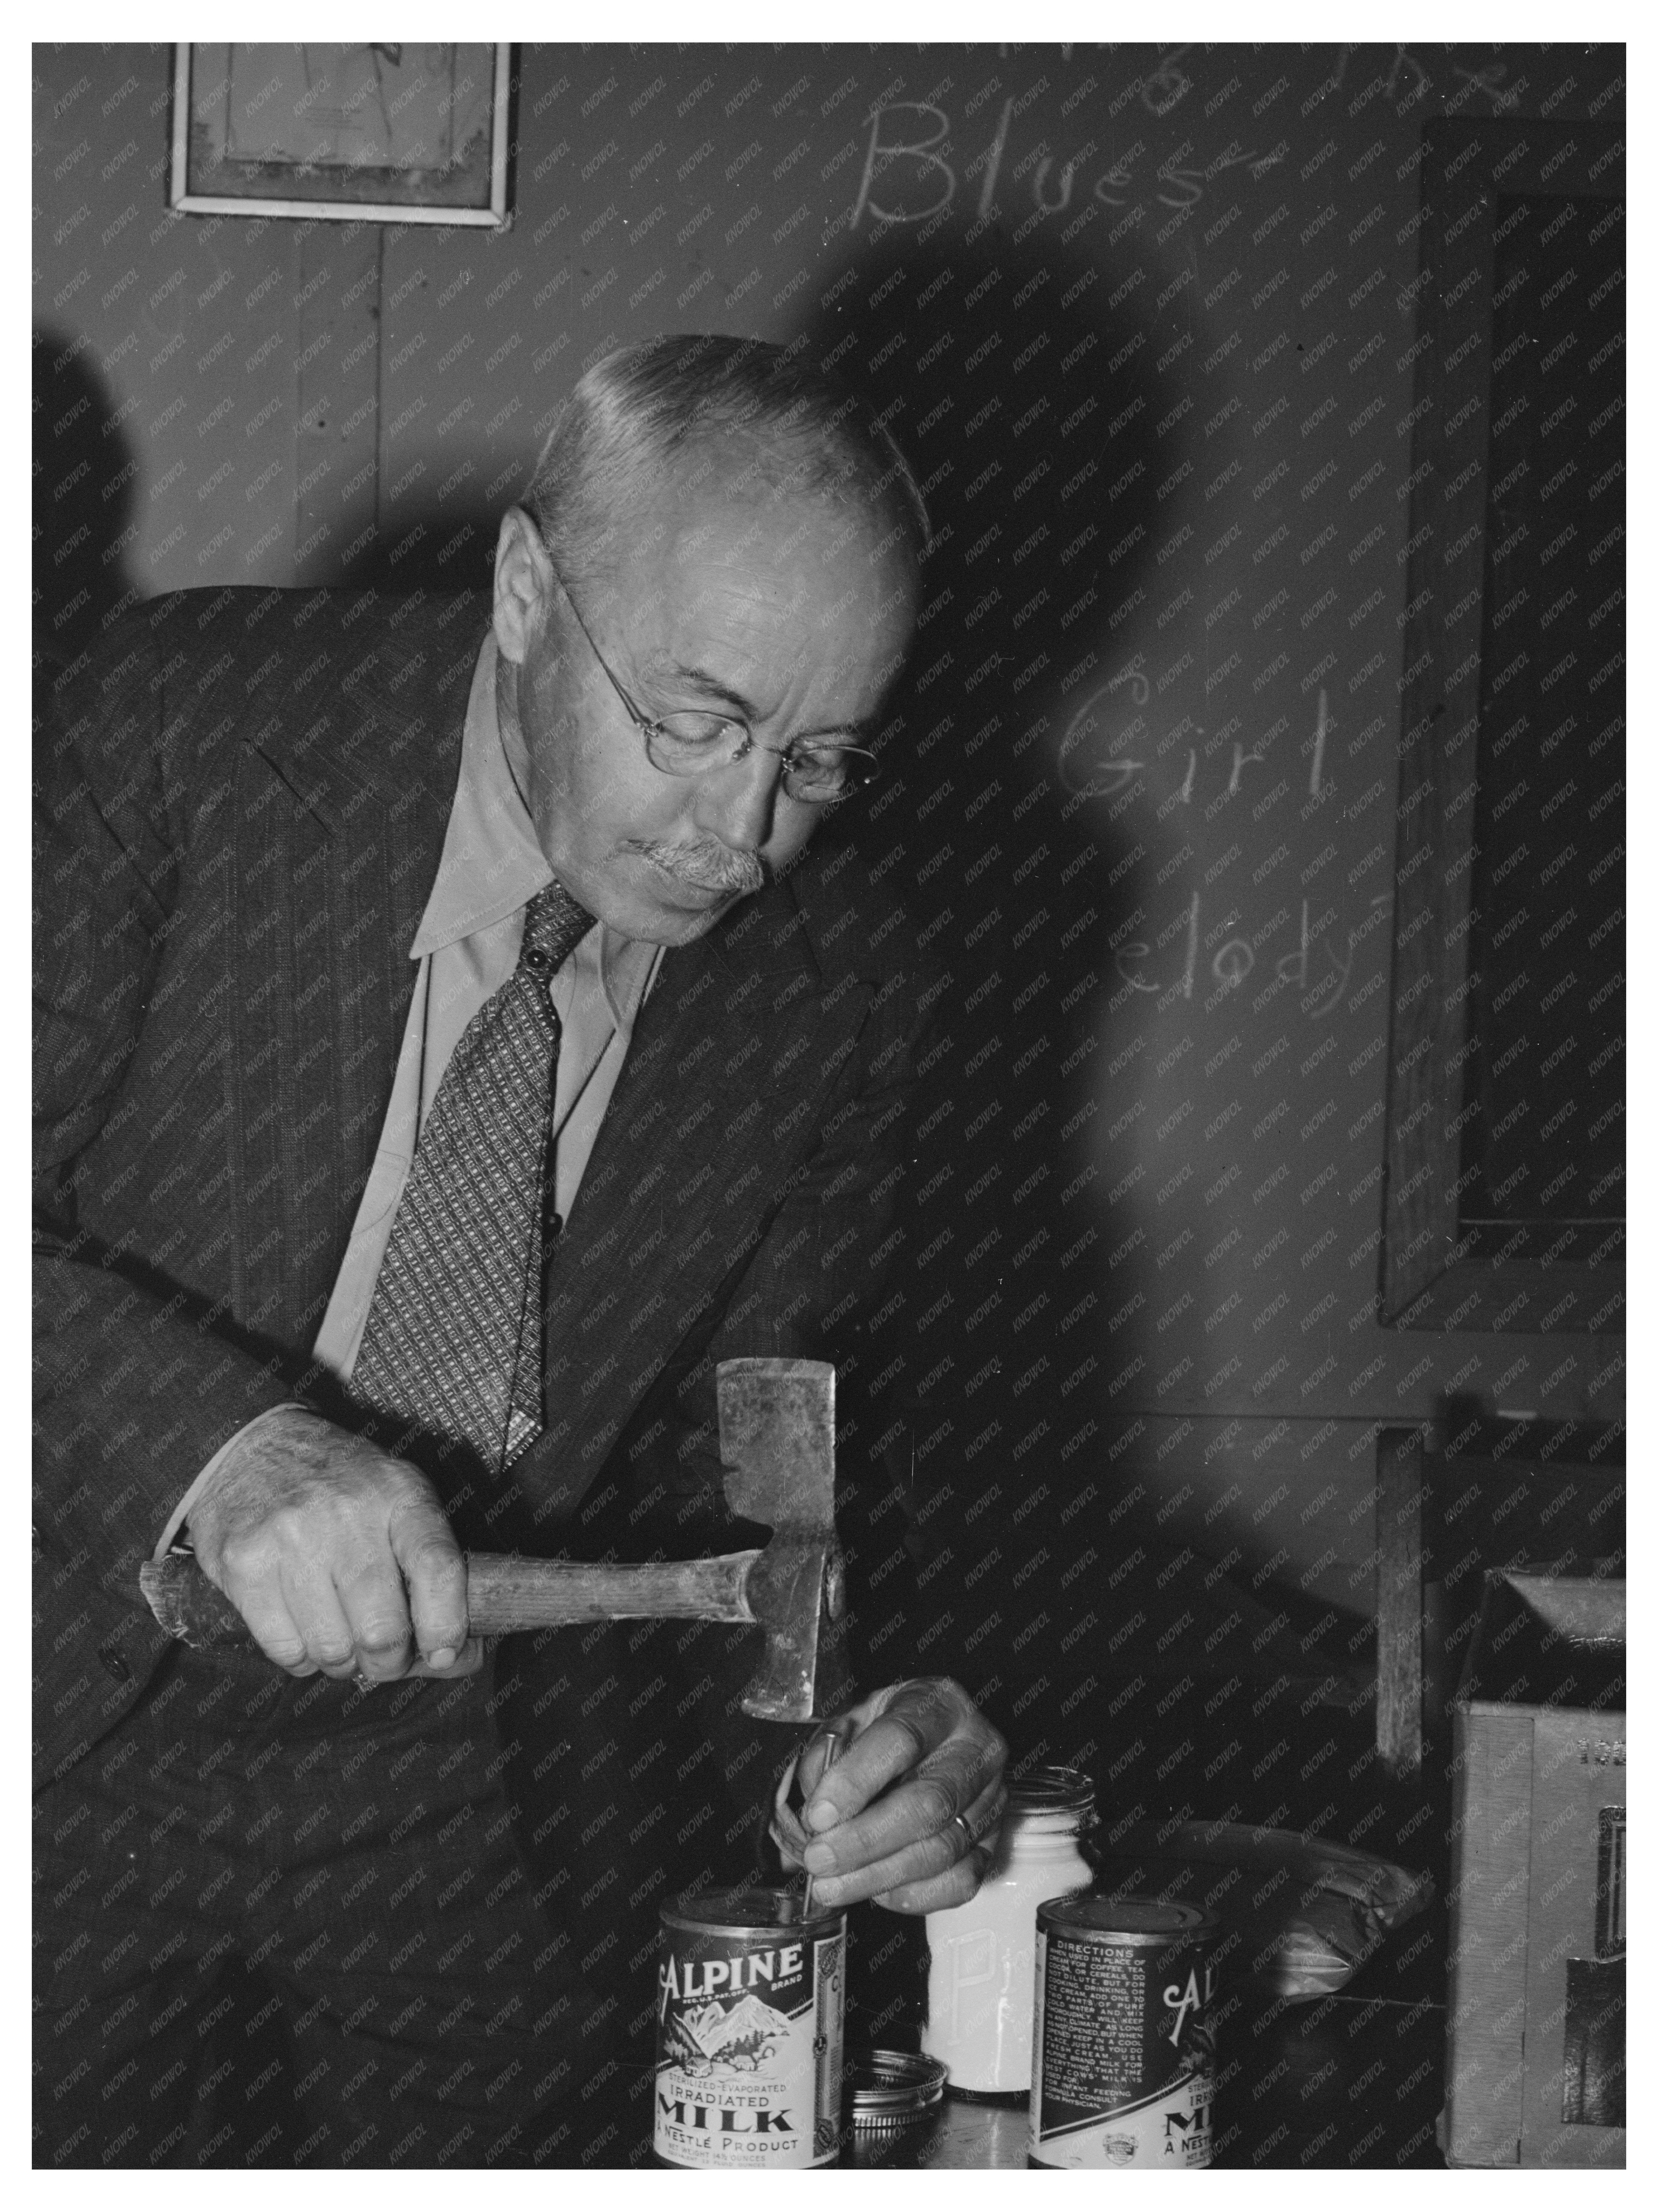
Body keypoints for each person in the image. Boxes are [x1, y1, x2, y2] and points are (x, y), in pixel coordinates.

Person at [34, 334, 1007, 2168]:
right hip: (63, 1706)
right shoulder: (174, 720)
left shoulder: (848, 986)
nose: (742, 840)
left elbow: (776, 1471)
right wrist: (216, 1451)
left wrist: (877, 1736)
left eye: (816, 762)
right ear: (527, 592)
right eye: (698, 722)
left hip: (492, 1805)